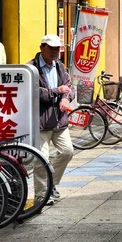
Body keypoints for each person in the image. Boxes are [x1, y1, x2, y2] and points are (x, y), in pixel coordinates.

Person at [29, 35, 75, 206]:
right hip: (40, 121)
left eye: (58, 48)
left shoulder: (60, 66)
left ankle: (51, 184)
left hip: (59, 120)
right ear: (42, 47)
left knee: (67, 152)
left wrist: (66, 98)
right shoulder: (31, 68)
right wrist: (56, 91)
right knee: (41, 158)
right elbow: (32, 91)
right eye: (52, 48)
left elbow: (69, 87)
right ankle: (41, 196)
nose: (55, 52)